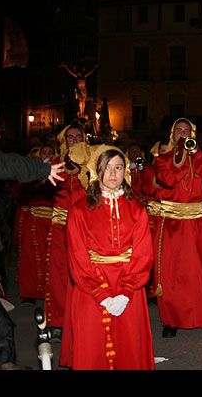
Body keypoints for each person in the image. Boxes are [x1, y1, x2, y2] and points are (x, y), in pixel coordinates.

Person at [60, 145, 154, 369]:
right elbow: (77, 254)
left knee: (129, 344)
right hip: (90, 286)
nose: (113, 174)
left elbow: (143, 255)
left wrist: (125, 293)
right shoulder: (80, 209)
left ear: (126, 172)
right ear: (96, 171)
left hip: (129, 285)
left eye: (119, 167)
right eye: (107, 167)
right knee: (93, 346)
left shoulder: (137, 209)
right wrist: (99, 294)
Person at [152, 118, 202, 337]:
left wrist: (196, 155)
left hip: (197, 221)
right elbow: (168, 181)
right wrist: (180, 158)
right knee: (172, 274)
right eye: (178, 130)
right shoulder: (162, 159)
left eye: (187, 131)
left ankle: (201, 314)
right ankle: (171, 320)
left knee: (200, 271)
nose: (182, 134)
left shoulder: (200, 156)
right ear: (172, 134)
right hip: (171, 222)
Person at [45, 124, 90, 338]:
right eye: (70, 137)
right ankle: (58, 321)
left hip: (86, 229)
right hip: (60, 224)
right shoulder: (55, 164)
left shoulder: (92, 163)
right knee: (58, 275)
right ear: (64, 141)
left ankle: (84, 320)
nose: (74, 140)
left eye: (78, 136)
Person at [13, 144, 57, 304]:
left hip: (54, 220)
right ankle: (30, 293)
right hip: (35, 219)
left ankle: (50, 292)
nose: (48, 154)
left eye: (51, 152)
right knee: (31, 258)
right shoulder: (32, 171)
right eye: (44, 152)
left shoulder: (60, 172)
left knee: (52, 258)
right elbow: (22, 191)